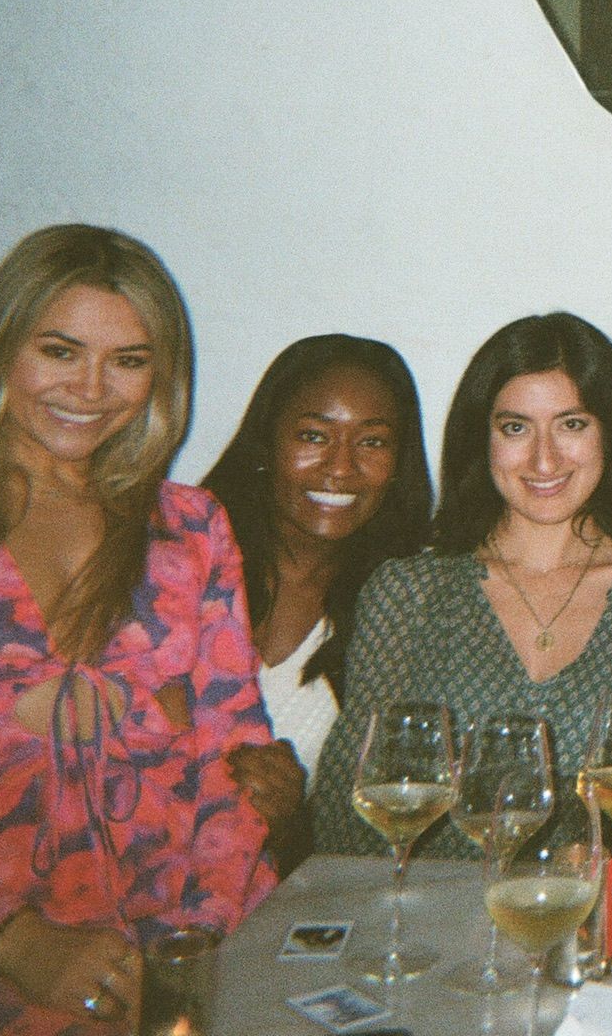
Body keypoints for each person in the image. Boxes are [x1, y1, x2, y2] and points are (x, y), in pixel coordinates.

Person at [0, 223, 286, 1034]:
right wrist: (20, 943)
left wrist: (184, 958)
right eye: (59, 351)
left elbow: (233, 766)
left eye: (128, 361)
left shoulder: (192, 528)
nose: (91, 389)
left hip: (185, 952)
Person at [310, 312, 612, 857]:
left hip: (591, 927)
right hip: (431, 926)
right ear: (482, 441)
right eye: (515, 428)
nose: (544, 459)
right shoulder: (410, 590)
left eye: (572, 424)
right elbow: (343, 809)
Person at [197, 334, 434, 861]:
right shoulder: (180, 567)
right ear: (265, 444)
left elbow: (386, 847)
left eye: (372, 442)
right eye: (313, 435)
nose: (341, 468)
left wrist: (292, 823)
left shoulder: (407, 612)